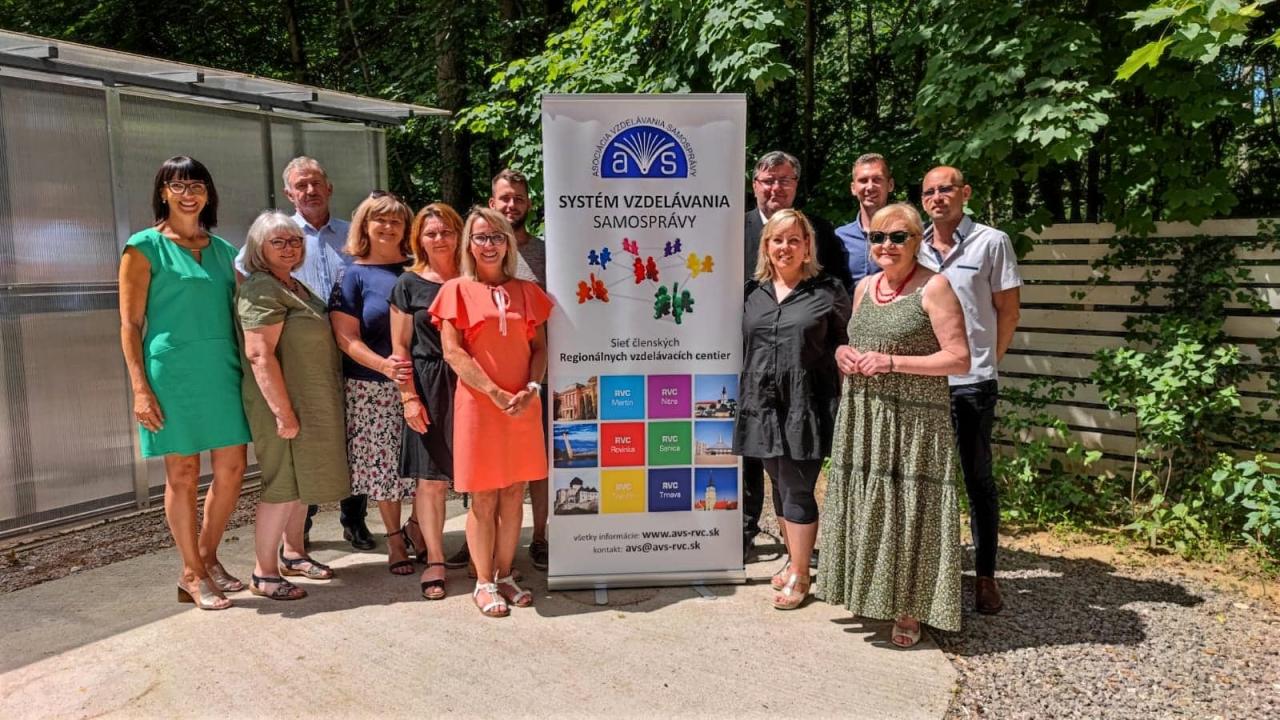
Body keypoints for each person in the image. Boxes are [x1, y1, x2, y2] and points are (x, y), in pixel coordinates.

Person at [817, 202, 971, 648]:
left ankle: (910, 608)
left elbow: (959, 358)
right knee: (869, 504)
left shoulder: (935, 287)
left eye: (898, 236)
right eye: (878, 237)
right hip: (865, 415)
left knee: (909, 508)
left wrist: (891, 362)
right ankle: (869, 593)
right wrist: (842, 354)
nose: (887, 244)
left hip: (914, 420)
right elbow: (855, 342)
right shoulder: (865, 287)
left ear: (917, 240)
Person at [118, 156, 250, 610]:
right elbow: (130, 324)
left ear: (209, 194)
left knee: (233, 468)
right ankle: (192, 573)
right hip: (171, 373)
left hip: (223, 369)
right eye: (177, 185)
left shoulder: (226, 251)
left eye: (196, 185)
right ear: (163, 193)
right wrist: (140, 388)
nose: (188, 193)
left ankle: (206, 558)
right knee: (183, 474)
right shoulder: (143, 247)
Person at [235, 156, 371, 552]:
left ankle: (353, 520)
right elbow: (248, 290)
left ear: (329, 188)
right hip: (293, 361)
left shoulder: (351, 235)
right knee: (294, 458)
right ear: (289, 193)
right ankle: (297, 538)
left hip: (345, 350)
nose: (310, 191)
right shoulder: (273, 239)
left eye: (316, 183)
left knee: (344, 437)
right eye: (301, 185)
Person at [431, 207, 552, 617]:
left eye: (497, 236)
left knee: (515, 493)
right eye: (481, 237)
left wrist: (531, 388)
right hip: (480, 407)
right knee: (483, 496)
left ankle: (505, 574)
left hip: (523, 405)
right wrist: (494, 392)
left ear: (508, 244)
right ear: (469, 243)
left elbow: (540, 348)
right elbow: (453, 352)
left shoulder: (527, 292)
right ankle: (483, 582)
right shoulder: (455, 290)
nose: (489, 244)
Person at [916, 166, 1022, 615]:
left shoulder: (991, 242)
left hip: (972, 383)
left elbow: (1008, 311)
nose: (938, 197)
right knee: (926, 481)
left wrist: (987, 363)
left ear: (965, 193)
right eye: (929, 191)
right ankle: (930, 575)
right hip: (925, 381)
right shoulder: (914, 245)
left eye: (946, 189)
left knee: (977, 479)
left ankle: (985, 576)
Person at [733, 209, 850, 610]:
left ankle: (801, 574)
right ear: (766, 246)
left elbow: (845, 344)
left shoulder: (828, 291)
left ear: (807, 247)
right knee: (779, 486)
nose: (785, 247)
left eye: (794, 240)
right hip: (761, 404)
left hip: (807, 404)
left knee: (798, 487)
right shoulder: (752, 292)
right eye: (777, 240)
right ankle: (793, 558)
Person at [237, 210, 350, 601]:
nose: (290, 248)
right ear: (259, 248)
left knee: (302, 484)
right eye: (279, 242)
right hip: (282, 404)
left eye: (295, 241)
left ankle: (294, 554)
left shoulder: (291, 285)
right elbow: (259, 354)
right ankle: (264, 573)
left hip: (305, 400)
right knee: (282, 485)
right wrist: (283, 413)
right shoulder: (261, 288)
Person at [330, 193, 416, 575]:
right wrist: (384, 366)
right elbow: (345, 337)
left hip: (424, 384)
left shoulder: (419, 269)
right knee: (384, 469)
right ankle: (395, 539)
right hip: (371, 387)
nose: (388, 226)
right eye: (379, 219)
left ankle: (419, 528)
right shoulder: (351, 274)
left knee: (424, 465)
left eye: (396, 220)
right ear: (364, 225)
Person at [390, 203, 463, 600]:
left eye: (446, 231)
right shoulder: (408, 283)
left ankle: (485, 555)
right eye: (431, 232)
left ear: (459, 234)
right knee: (431, 482)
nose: (439, 238)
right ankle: (435, 558)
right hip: (428, 385)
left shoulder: (474, 277)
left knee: (479, 478)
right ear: (419, 238)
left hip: (470, 384)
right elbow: (400, 348)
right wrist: (409, 398)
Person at [490, 169, 551, 571]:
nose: (511, 205)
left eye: (519, 198)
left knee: (539, 459)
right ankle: (487, 538)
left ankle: (540, 536)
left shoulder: (546, 253)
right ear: (492, 203)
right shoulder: (478, 251)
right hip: (491, 375)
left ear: (529, 204)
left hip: (538, 370)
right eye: (505, 198)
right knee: (492, 462)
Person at [834, 153, 892, 286]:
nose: (870, 187)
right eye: (863, 180)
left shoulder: (903, 234)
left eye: (877, 179)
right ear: (853, 188)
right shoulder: (839, 238)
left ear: (890, 185)